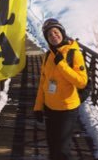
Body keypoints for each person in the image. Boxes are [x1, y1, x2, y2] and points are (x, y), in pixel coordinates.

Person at [33, 18, 88, 160]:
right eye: (49, 35)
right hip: (50, 108)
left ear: (62, 32)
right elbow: (43, 84)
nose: (53, 36)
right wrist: (38, 107)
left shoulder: (74, 53)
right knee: (52, 146)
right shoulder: (47, 56)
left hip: (68, 109)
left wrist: (62, 65)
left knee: (62, 150)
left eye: (56, 32)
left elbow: (82, 82)